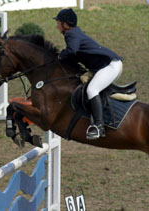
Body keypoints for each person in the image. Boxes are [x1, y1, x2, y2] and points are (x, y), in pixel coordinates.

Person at [53, 8, 123, 140]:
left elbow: (72, 51)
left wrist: (59, 56)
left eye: (59, 22)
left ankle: (98, 126)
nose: (57, 26)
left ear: (66, 25)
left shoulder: (71, 34)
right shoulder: (74, 33)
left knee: (92, 89)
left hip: (110, 66)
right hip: (106, 65)